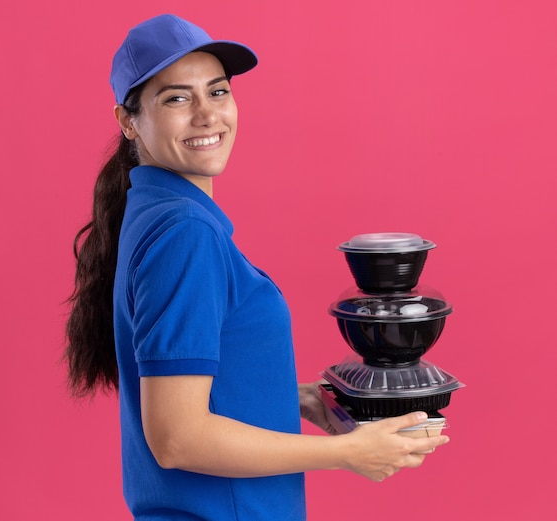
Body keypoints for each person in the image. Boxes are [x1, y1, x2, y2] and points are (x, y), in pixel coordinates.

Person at [65, 14, 450, 521]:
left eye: (218, 92)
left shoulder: (156, 211)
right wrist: (347, 454)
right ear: (128, 121)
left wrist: (298, 400)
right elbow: (178, 438)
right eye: (177, 98)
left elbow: (196, 393)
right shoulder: (185, 233)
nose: (207, 115)